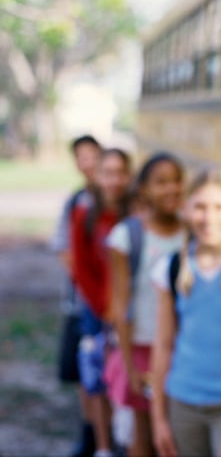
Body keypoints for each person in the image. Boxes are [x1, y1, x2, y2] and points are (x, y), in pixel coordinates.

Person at [150, 168, 221, 457]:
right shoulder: (172, 269)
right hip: (182, 404)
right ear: (186, 208)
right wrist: (159, 419)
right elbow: (164, 345)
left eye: (219, 207)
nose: (209, 218)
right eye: (200, 207)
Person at [105, 152, 184, 457]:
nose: (171, 189)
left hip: (179, 351)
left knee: (173, 438)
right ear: (144, 190)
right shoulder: (128, 236)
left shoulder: (192, 234)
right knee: (142, 439)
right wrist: (128, 365)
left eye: (177, 181)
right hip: (140, 350)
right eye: (161, 182)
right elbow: (120, 304)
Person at [70, 148, 133, 457]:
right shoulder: (85, 215)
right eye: (108, 173)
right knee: (94, 377)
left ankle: (127, 440)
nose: (114, 180)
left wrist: (121, 307)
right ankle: (104, 446)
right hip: (97, 311)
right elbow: (81, 269)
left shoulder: (134, 215)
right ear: (98, 176)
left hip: (127, 311)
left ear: (128, 177)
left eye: (120, 173)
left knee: (122, 373)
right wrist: (103, 306)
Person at [52, 134, 101, 457]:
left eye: (91, 155)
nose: (87, 162)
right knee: (85, 373)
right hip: (83, 302)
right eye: (80, 157)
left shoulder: (116, 201)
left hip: (110, 304)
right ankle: (91, 435)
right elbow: (64, 250)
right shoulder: (76, 203)